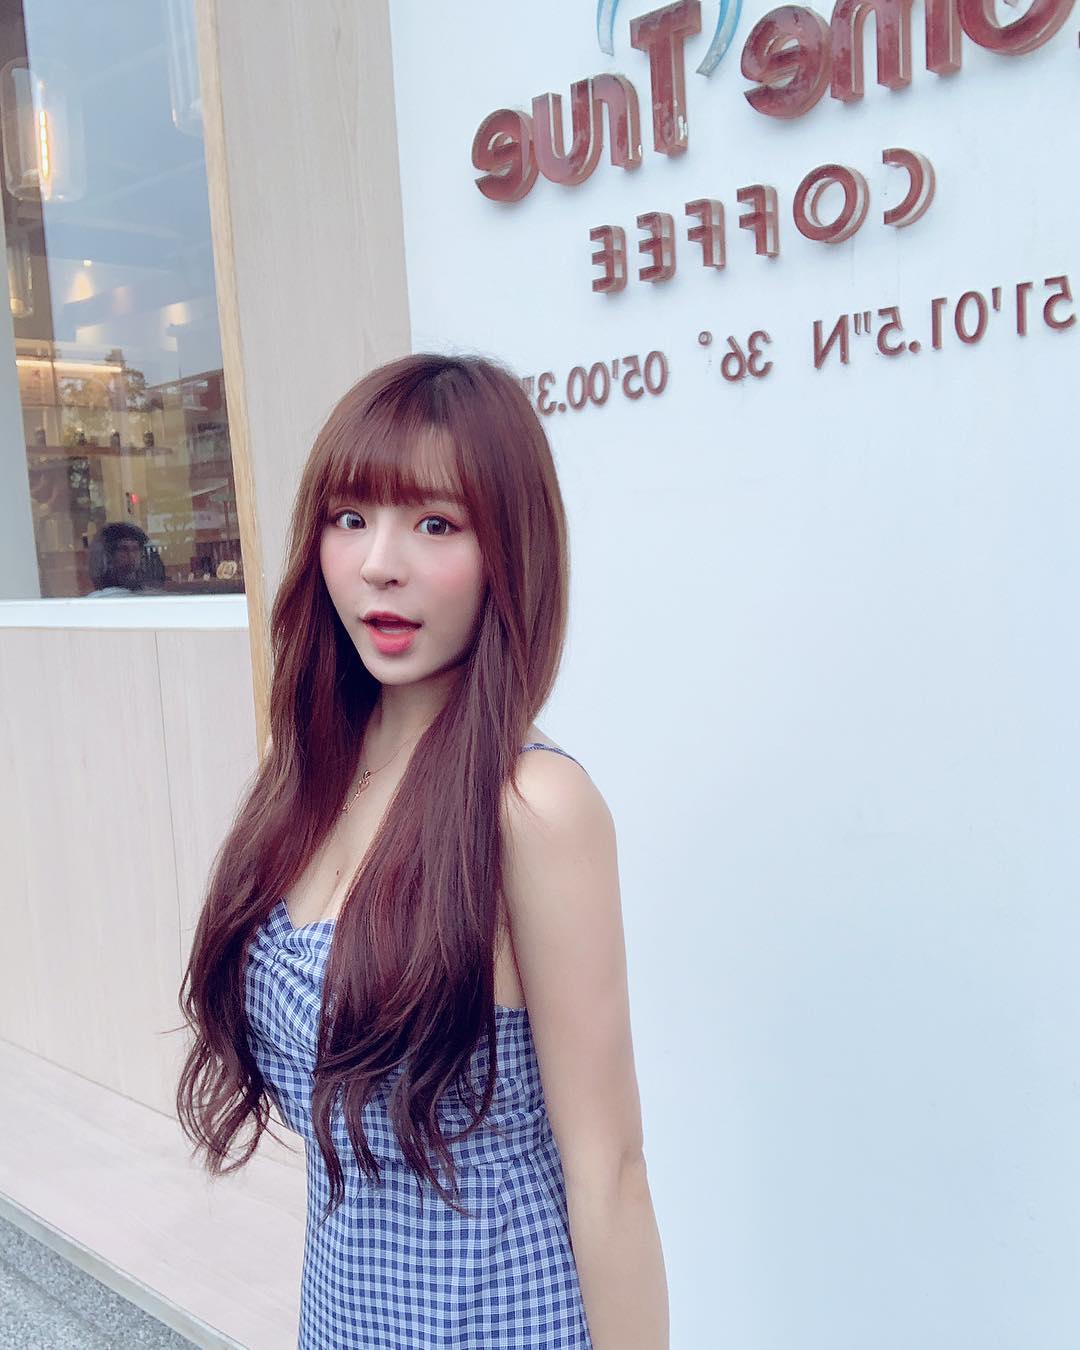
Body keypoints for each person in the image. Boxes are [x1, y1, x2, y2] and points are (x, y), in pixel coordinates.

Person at [175, 353, 668, 1349]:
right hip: (342, 1320)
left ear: (509, 552)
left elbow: (609, 1171)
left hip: (503, 1323)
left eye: (435, 524)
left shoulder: (532, 807)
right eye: (350, 517)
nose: (378, 563)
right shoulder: (316, 774)